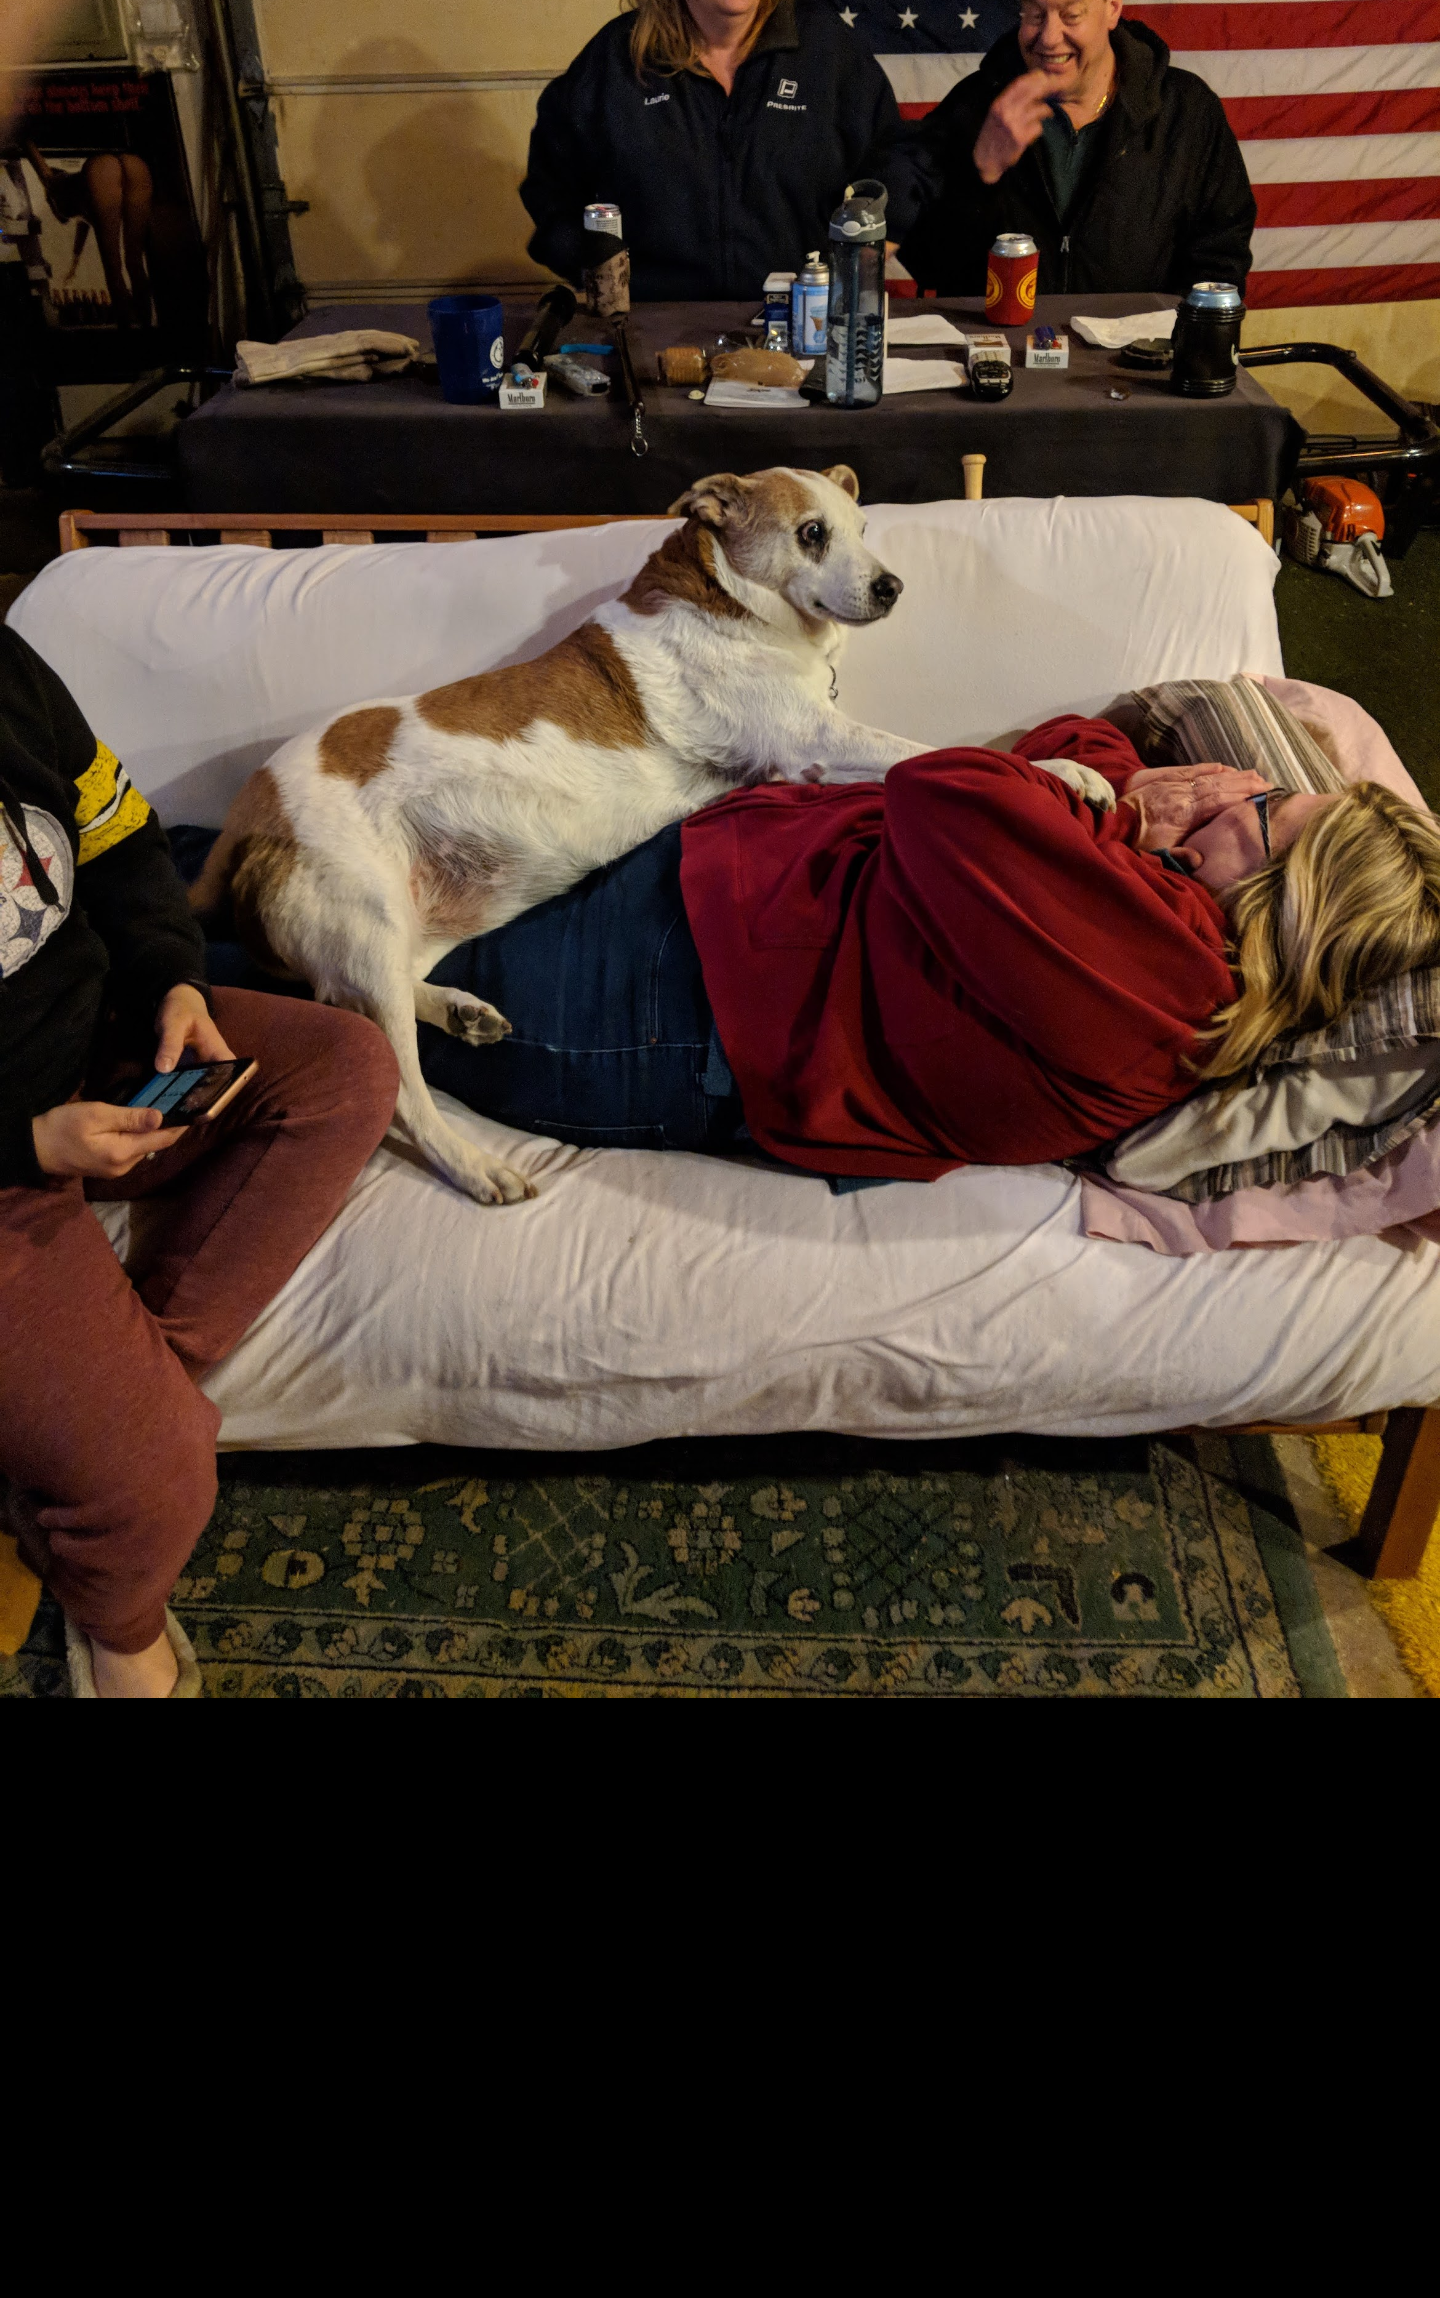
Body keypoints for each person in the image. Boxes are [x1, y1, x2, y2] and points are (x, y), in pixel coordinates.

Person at [414, 719, 1440, 1184]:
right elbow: (1072, 742)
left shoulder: (1163, 970)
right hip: (699, 901)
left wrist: (1126, 815)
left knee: (349, 995)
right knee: (362, 877)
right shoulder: (1158, 892)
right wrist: (1127, 794)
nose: (1235, 792)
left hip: (672, 1003)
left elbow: (947, 789)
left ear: (1282, 897)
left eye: (1266, 810)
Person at [1, 625, 399, 1697]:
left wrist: (172, 979)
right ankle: (116, 1615)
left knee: (349, 1071)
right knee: (163, 1484)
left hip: (104, 1051)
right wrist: (26, 1141)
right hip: (11, 1168)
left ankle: (136, 1398)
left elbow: (121, 840)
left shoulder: (9, 665)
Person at [520, 0, 916, 302]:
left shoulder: (825, 49)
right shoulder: (618, 59)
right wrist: (595, 267)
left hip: (802, 319)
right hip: (658, 324)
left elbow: (897, 155)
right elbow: (549, 188)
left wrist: (875, 243)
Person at [897, 0, 1256, 300]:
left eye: (1071, 15)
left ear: (1113, 7)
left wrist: (1170, 335)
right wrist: (978, 174)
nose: (1049, 38)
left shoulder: (1187, 113)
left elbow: (1221, 259)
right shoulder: (973, 105)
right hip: (998, 340)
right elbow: (927, 265)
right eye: (1034, 13)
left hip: (1141, 341)